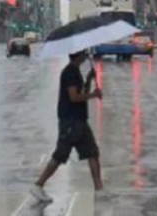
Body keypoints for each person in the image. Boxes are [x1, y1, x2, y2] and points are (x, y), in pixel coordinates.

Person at [30, 49, 103, 203]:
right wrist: (94, 95)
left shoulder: (75, 71)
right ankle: (38, 185)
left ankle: (99, 190)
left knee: (92, 153)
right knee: (60, 156)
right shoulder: (70, 72)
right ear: (79, 56)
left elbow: (81, 92)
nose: (86, 56)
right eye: (84, 53)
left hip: (80, 121)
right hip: (70, 122)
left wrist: (89, 80)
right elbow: (75, 97)